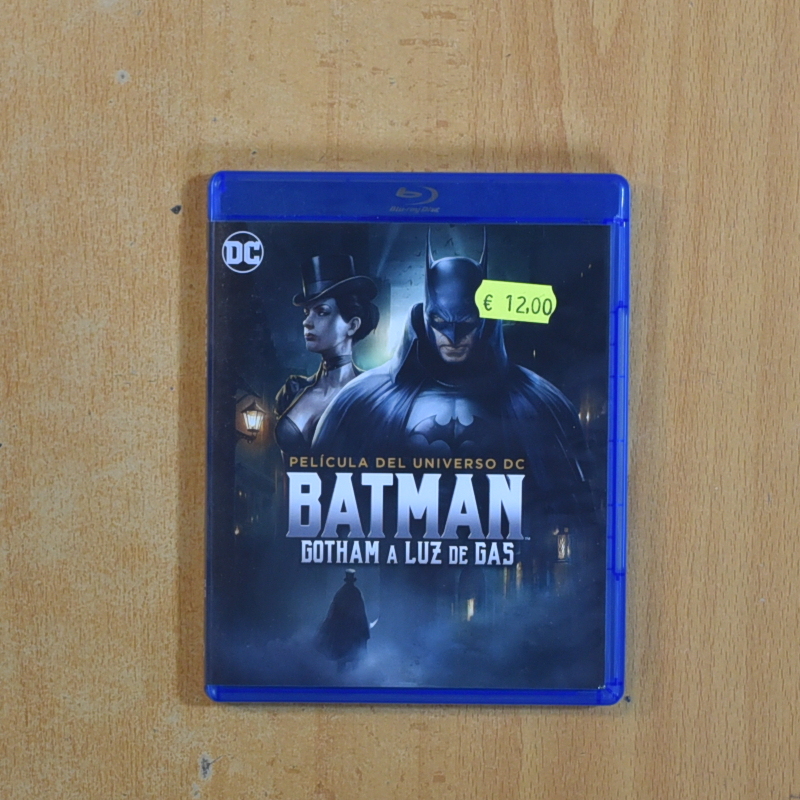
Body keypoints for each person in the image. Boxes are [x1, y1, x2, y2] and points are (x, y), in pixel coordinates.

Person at [312, 232, 597, 576]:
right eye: (440, 323)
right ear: (426, 316)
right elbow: (316, 501)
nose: (453, 337)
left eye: (466, 324)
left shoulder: (539, 402)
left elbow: (576, 510)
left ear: (485, 320)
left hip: (503, 571)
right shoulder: (362, 400)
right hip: (398, 570)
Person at [274, 254, 379, 456]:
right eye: (307, 312)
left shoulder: (372, 393)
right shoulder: (294, 390)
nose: (307, 322)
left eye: (322, 312)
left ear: (352, 325)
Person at [315, 569, 370, 670]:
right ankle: (345, 674)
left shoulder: (349, 592)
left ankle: (351, 674)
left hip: (350, 627)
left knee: (351, 653)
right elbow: (335, 610)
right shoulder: (345, 592)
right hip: (345, 628)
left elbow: (360, 611)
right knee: (344, 654)